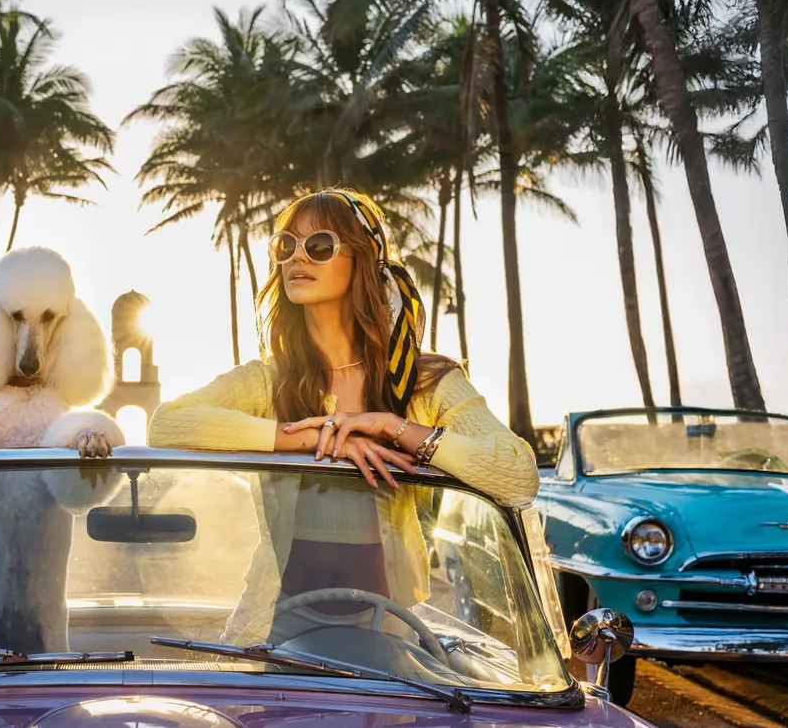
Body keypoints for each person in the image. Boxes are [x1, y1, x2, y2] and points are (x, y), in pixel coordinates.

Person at [148, 187, 537, 643]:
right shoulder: (268, 381)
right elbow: (166, 423)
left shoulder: (422, 382)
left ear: (362, 261)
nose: (297, 258)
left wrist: (395, 427)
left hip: (390, 624)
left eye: (319, 246)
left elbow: (518, 474)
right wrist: (313, 438)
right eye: (285, 246)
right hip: (273, 622)